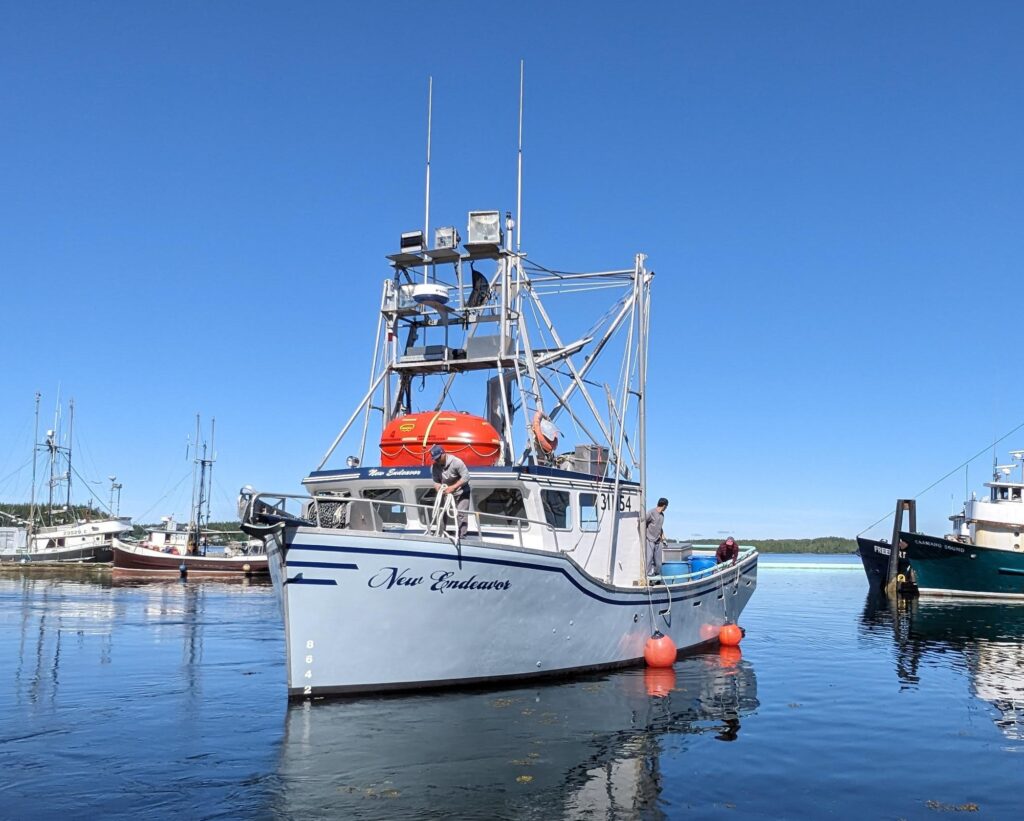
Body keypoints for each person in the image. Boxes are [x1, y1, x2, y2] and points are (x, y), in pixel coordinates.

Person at [430, 444, 471, 541]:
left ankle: (462, 537)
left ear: (443, 454)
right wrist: (438, 487)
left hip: (462, 491)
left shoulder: (456, 462)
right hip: (447, 492)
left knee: (461, 513)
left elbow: (466, 477)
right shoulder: (434, 467)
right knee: (441, 512)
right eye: (435, 459)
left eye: (438, 458)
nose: (437, 461)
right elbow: (436, 481)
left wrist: (453, 487)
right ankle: (441, 533)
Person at [644, 497, 669, 579]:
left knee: (658, 562)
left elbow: (660, 528)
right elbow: (643, 522)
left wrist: (664, 538)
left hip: (658, 540)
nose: (666, 508)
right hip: (649, 539)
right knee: (649, 559)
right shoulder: (651, 512)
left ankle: (656, 577)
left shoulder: (662, 516)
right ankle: (646, 577)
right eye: (667, 506)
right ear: (664, 506)